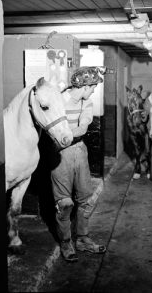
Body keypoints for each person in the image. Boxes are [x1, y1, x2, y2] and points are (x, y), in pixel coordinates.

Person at [51, 66, 106, 262]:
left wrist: (63, 133)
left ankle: (82, 238)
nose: (93, 91)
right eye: (93, 87)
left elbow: (83, 127)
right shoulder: (56, 100)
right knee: (64, 203)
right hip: (59, 155)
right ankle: (66, 242)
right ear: (84, 86)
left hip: (79, 150)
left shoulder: (87, 102)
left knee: (86, 198)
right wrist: (61, 135)